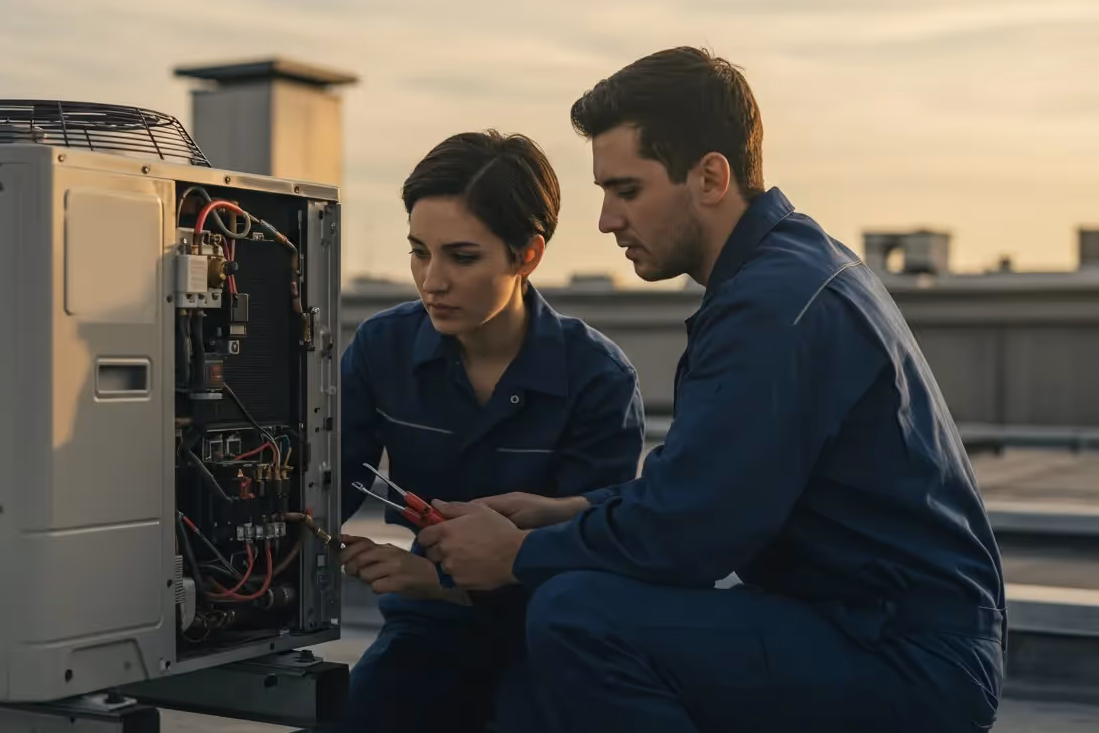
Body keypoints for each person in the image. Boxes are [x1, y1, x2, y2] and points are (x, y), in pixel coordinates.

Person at [418, 48, 1007, 732]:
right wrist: (566, 511)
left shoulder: (772, 305)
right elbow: (707, 488)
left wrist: (516, 555)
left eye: (626, 190)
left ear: (710, 177)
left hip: (907, 658)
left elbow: (689, 539)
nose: (607, 219)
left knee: (578, 615)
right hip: (874, 628)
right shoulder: (784, 270)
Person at [328, 130, 647, 733]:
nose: (432, 280)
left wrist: (439, 581)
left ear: (528, 254)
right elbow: (327, 484)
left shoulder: (598, 377)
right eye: (418, 251)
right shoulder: (381, 348)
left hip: (548, 635)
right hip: (426, 628)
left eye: (461, 256)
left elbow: (593, 563)